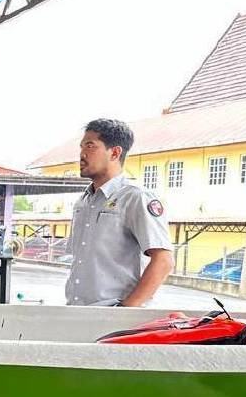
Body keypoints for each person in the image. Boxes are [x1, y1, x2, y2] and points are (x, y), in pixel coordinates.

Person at [66, 118, 173, 306]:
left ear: (115, 152)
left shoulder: (135, 198)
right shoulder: (83, 202)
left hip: (114, 314)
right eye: (81, 147)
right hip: (77, 311)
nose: (82, 154)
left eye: (90, 146)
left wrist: (125, 309)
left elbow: (163, 261)